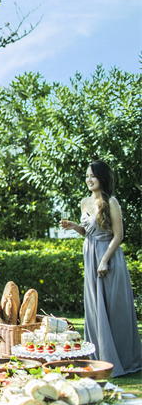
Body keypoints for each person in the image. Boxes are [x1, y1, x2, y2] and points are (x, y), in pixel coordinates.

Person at [60, 160, 142, 377]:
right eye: (87, 175)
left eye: (93, 176)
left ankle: (123, 359)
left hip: (109, 257)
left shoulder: (111, 202)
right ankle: (98, 356)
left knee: (114, 309)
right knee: (95, 309)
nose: (88, 179)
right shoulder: (84, 202)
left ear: (102, 178)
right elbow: (88, 233)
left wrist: (104, 260)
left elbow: (118, 235)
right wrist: (74, 227)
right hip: (90, 256)